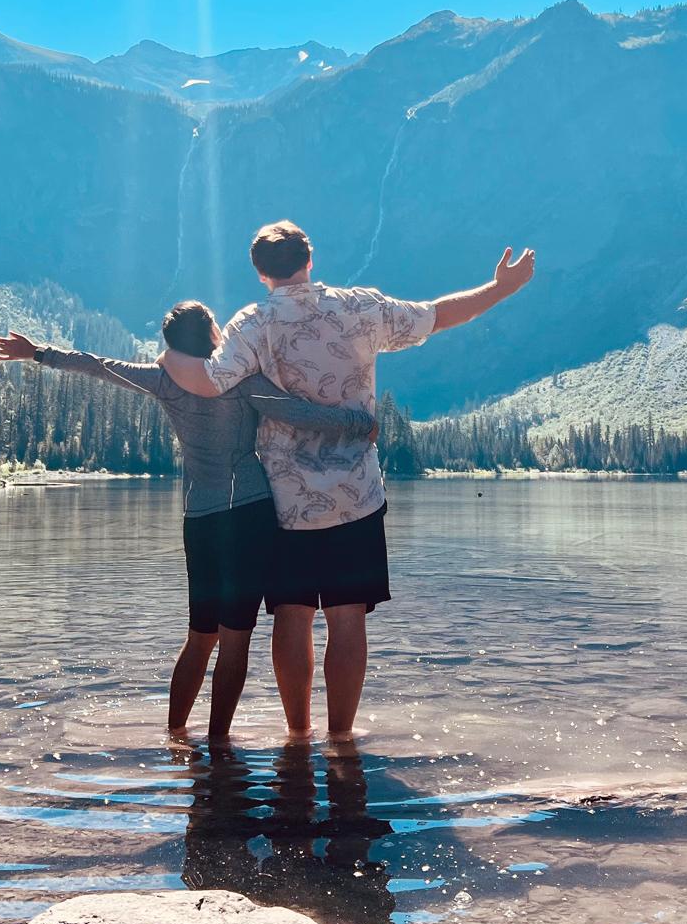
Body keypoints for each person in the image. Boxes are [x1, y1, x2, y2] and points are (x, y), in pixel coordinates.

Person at [159, 220, 535, 738]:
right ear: (309, 259)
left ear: (261, 272)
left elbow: (207, 380)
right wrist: (500, 289)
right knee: (347, 617)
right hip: (356, 495)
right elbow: (437, 315)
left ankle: (298, 735)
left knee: (293, 615)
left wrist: (167, 356)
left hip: (288, 501)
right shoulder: (359, 306)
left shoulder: (252, 323)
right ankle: (341, 738)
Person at [0, 300, 374, 740]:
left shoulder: (164, 382)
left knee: (199, 636)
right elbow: (295, 411)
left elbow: (96, 365)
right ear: (210, 334)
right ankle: (218, 746)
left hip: (199, 521)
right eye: (215, 322)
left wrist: (37, 352)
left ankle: (176, 735)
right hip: (246, 518)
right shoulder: (238, 379)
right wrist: (357, 422)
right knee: (235, 639)